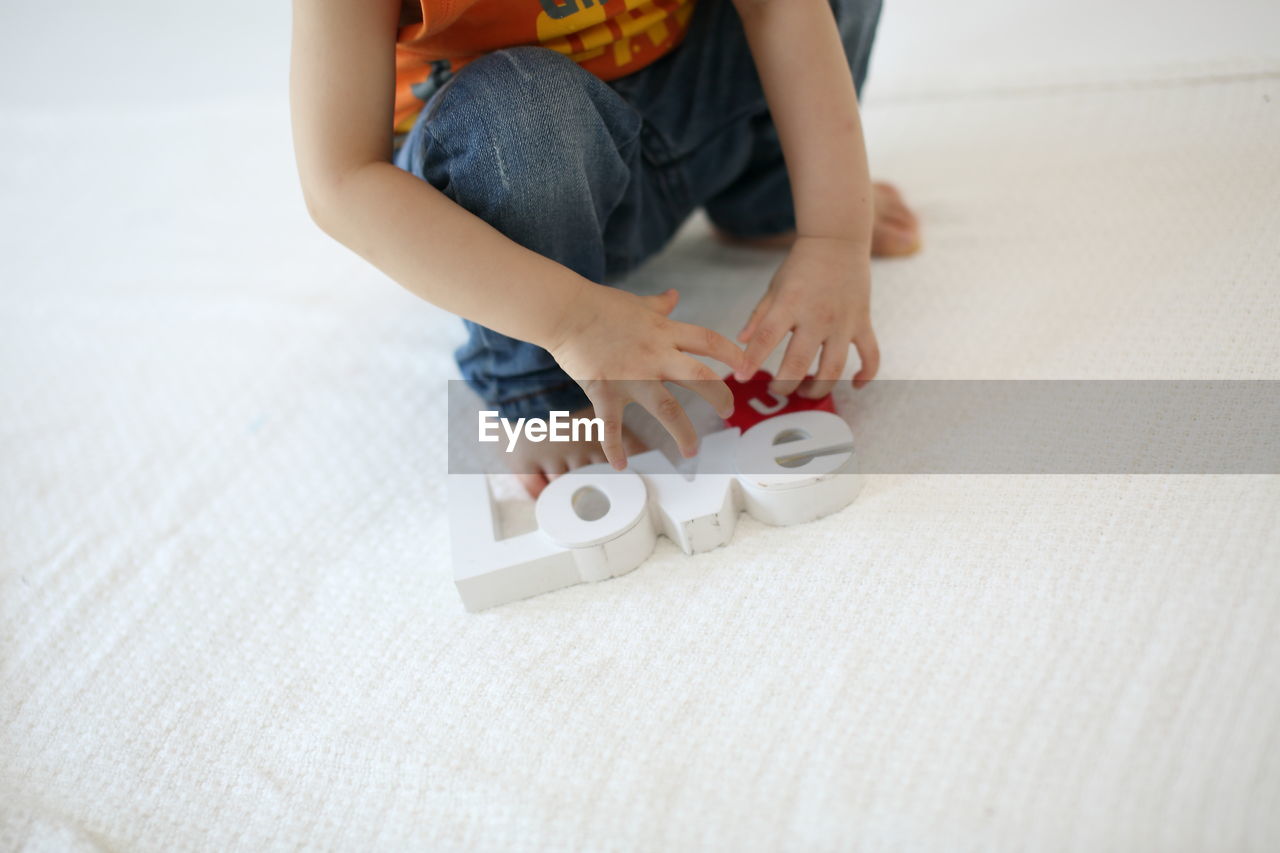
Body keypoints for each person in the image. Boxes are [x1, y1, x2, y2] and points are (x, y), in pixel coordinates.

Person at [290, 0, 921, 496]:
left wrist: (833, 235)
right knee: (518, 103)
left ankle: (767, 194)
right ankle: (535, 381)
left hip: (697, 116)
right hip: (531, 207)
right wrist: (573, 320)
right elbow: (341, 182)